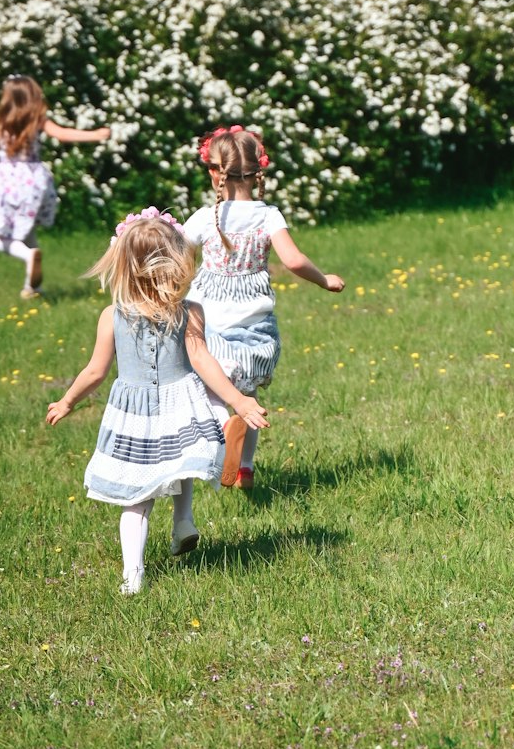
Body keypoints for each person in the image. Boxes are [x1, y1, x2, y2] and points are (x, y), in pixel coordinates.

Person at [46, 208, 269, 595]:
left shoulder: (111, 316)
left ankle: (133, 575)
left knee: (138, 497)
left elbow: (95, 372)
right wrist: (238, 401)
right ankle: (183, 520)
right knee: (181, 462)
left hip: (134, 415)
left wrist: (67, 401)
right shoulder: (188, 312)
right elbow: (202, 361)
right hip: (181, 402)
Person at [183, 125, 345, 490]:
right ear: (259, 173)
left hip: (211, 328)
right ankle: (246, 468)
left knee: (216, 392)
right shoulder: (268, 215)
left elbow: (173, 252)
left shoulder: (204, 219)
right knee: (250, 396)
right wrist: (324, 279)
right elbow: (294, 260)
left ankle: (226, 422)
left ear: (214, 173)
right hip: (257, 331)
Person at [0, 74, 110, 298]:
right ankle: (33, 288)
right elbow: (62, 134)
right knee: (29, 231)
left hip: (6, 181)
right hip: (35, 181)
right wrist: (95, 135)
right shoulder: (38, 119)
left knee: (1, 239)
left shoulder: (0, 122)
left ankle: (27, 256)